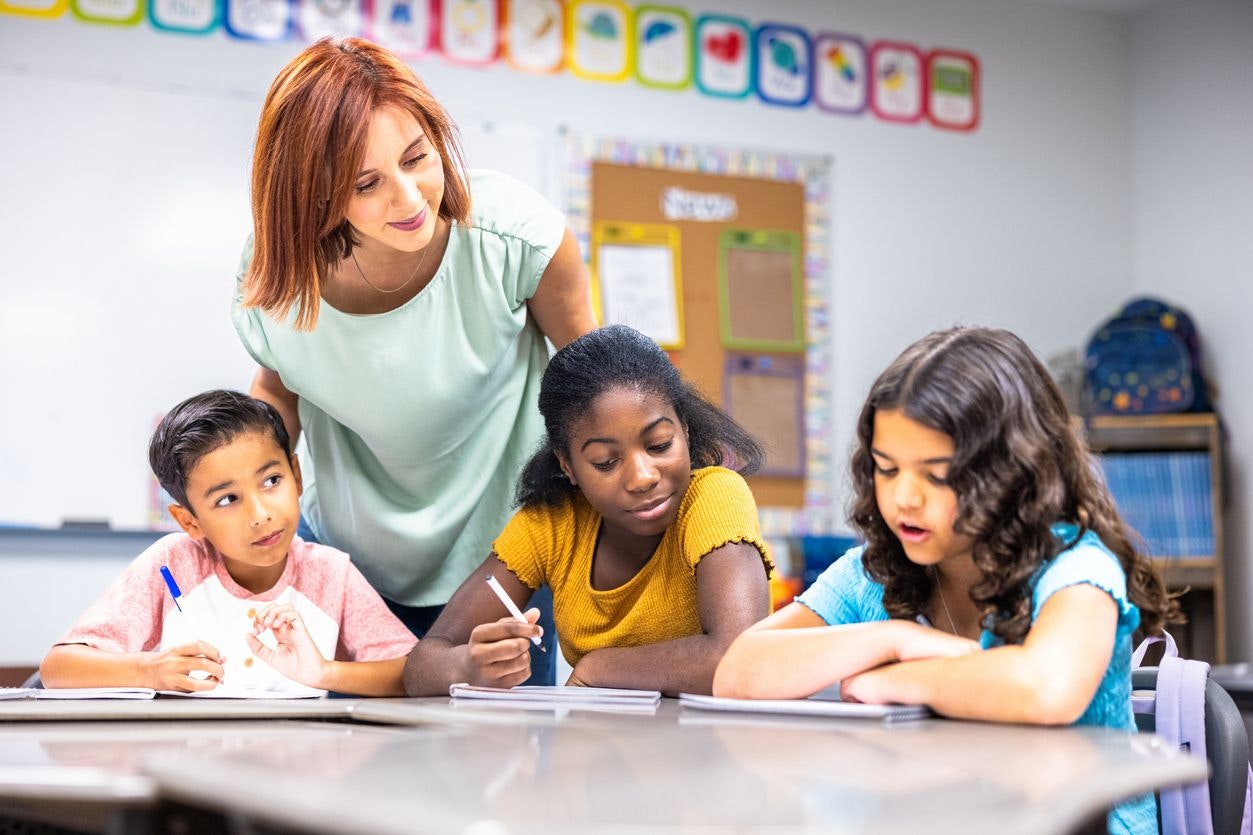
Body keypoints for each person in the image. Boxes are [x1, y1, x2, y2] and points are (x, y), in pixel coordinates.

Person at [713, 326, 1180, 835]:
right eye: (887, 469)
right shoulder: (875, 569)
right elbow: (737, 675)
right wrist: (895, 637)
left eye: (936, 475)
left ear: (1012, 471)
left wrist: (892, 679)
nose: (904, 498)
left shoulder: (1075, 567)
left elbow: (1045, 690)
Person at [231, 38, 596, 678]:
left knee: (500, 761)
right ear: (311, 195)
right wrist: (231, 496)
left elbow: (596, 394)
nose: (409, 198)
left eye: (417, 157)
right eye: (367, 184)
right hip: (347, 561)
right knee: (340, 759)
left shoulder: (514, 240)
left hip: (506, 561)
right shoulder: (279, 273)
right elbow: (279, 390)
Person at [403, 325, 774, 697]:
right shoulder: (553, 525)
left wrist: (600, 667)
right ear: (568, 466)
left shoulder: (714, 497)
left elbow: (739, 657)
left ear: (686, 431)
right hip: (598, 747)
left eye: (659, 445)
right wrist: (467, 665)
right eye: (606, 462)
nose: (642, 477)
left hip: (711, 750)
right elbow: (422, 665)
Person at [40, 390, 417, 696]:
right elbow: (58, 668)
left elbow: (411, 673)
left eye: (271, 481)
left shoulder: (330, 573)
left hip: (298, 772)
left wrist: (324, 673)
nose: (260, 514)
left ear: (296, 476)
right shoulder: (172, 563)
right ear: (190, 521)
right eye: (227, 499)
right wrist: (149, 670)